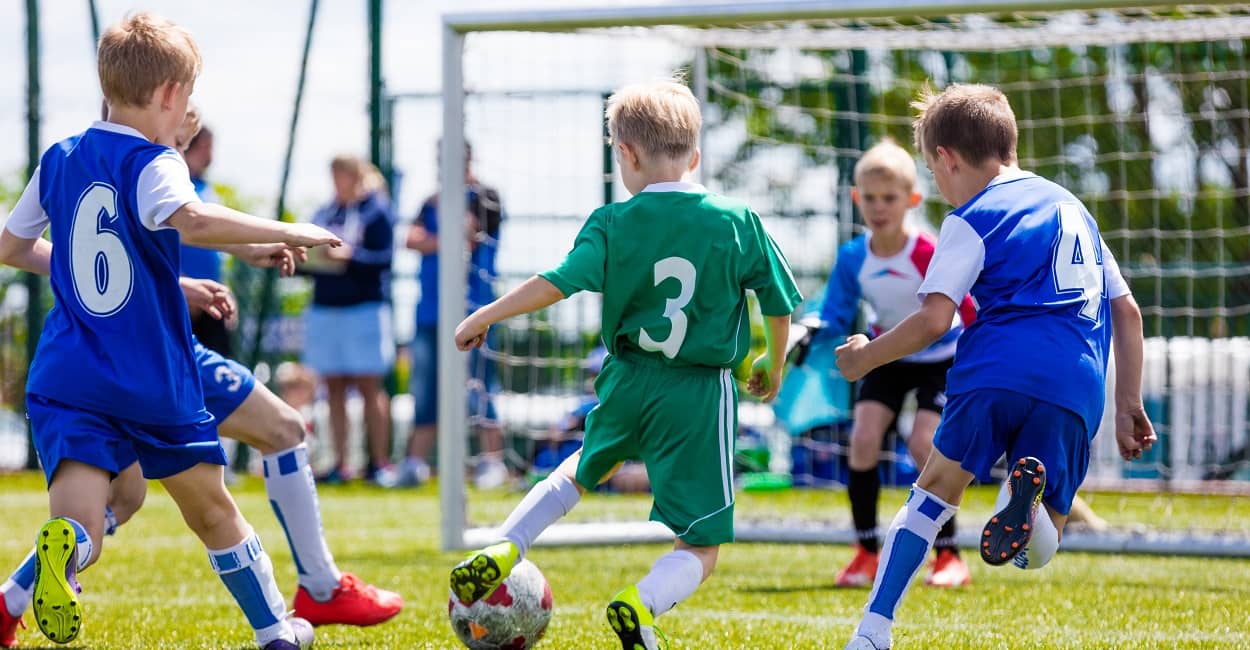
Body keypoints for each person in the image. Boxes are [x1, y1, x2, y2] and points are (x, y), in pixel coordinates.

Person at [0, 13, 343, 648]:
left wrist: (153, 282)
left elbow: (13, 246)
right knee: (213, 511)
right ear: (170, 95)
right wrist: (287, 229)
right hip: (148, 376)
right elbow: (191, 220)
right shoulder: (155, 160)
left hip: (68, 375)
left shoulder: (60, 157)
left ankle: (64, 552)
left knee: (85, 527)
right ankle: (276, 632)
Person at [448, 79, 802, 650]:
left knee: (582, 467)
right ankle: (640, 605)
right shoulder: (737, 220)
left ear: (626, 155)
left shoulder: (610, 222)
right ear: (695, 155)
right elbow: (780, 301)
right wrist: (773, 360)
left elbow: (555, 284)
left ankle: (506, 545)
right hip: (698, 391)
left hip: (626, 377)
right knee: (702, 544)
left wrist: (486, 314)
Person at [835, 84, 1156, 650]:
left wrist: (865, 357)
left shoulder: (971, 217)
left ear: (947, 159)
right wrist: (1130, 403)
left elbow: (935, 320)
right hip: (1076, 383)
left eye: (935, 174)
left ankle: (873, 630)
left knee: (931, 494)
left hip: (997, 369)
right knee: (1044, 543)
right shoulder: (1075, 210)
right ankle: (1025, 499)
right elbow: (1126, 311)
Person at [817, 140, 976, 589]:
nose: (878, 207)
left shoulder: (928, 251)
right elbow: (833, 312)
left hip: (942, 357)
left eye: (889, 199)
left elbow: (966, 310)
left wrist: (984, 352)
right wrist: (813, 330)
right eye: (869, 198)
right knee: (862, 439)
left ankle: (948, 556)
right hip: (886, 353)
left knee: (925, 445)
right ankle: (866, 551)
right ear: (855, 199)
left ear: (911, 201)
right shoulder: (853, 258)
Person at [403, 141, 508, 488]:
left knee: (480, 385)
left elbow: (467, 235)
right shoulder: (429, 202)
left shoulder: (486, 196)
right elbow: (411, 239)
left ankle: (492, 463)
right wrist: (440, 238)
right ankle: (413, 464)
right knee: (426, 389)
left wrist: (437, 237)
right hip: (431, 313)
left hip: (475, 310)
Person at [301, 155, 397, 486]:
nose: (337, 181)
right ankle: (340, 464)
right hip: (326, 308)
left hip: (365, 309)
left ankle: (380, 464)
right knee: (334, 387)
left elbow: (385, 258)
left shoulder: (377, 210)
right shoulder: (324, 213)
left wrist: (350, 256)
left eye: (342, 174)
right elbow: (305, 256)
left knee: (370, 386)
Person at [178, 122, 235, 357]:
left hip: (210, 298)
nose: (209, 155)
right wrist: (184, 287)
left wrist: (225, 290)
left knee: (219, 374)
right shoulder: (171, 187)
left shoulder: (207, 189)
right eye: (204, 147)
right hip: (180, 296)